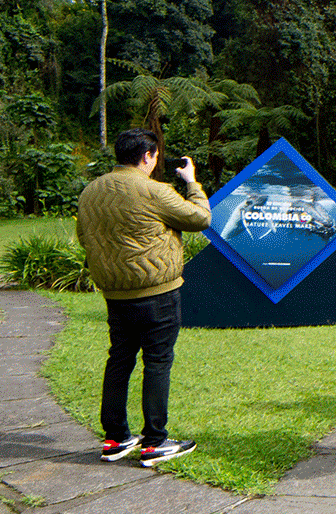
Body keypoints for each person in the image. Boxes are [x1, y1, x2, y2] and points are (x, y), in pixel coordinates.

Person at [76, 128, 210, 467]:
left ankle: (115, 438)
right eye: (155, 157)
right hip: (158, 293)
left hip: (115, 294)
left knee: (119, 360)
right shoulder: (153, 190)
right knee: (157, 361)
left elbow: (84, 236)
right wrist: (191, 183)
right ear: (147, 156)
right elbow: (199, 218)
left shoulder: (91, 191)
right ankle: (154, 442)